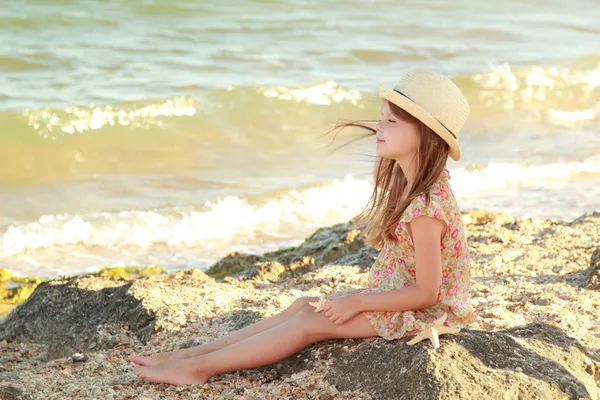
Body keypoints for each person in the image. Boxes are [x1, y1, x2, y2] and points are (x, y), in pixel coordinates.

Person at [130, 69, 476, 386]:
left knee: (307, 323)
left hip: (421, 314)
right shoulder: (411, 185)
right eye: (381, 119)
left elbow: (427, 293)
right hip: (400, 299)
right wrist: (360, 300)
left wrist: (358, 301)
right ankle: (192, 355)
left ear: (424, 136)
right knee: (303, 306)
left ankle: (197, 369)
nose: (378, 128)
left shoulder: (426, 209)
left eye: (391, 122)